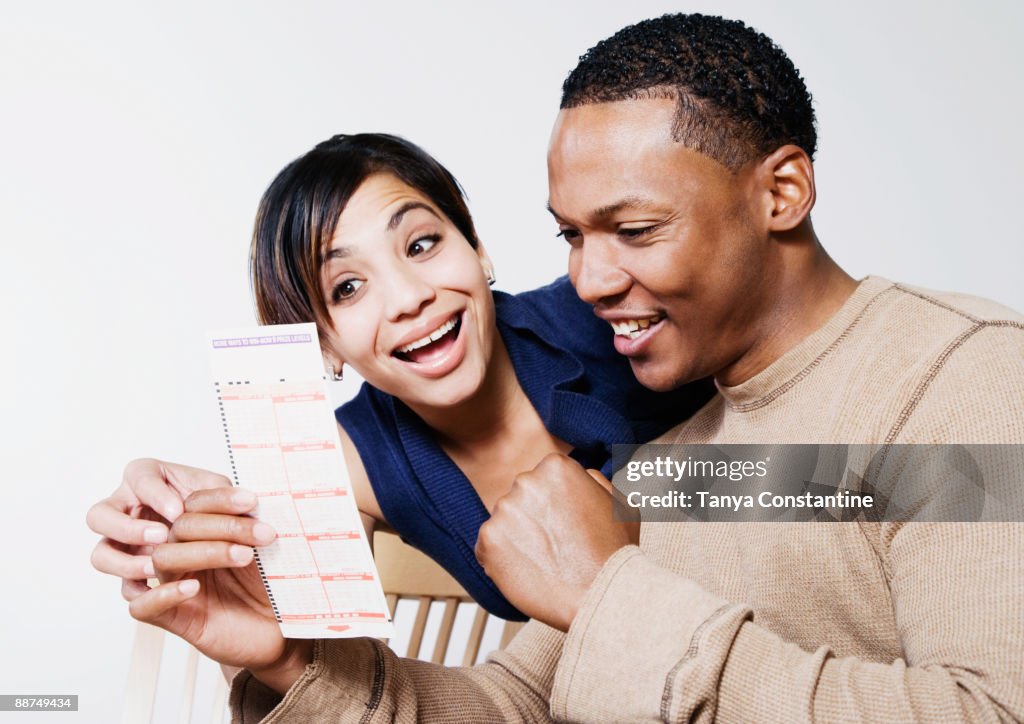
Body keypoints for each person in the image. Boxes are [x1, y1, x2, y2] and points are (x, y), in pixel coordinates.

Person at [108, 14, 1024, 722]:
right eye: (572, 237)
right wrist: (291, 662)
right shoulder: (684, 459)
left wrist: (609, 595)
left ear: (780, 192)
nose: (588, 280)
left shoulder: (963, 377)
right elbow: (521, 705)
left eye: (633, 231)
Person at [86, 133, 708, 622]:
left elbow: (806, 473)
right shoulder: (347, 462)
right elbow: (311, 661)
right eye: (348, 287)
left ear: (478, 248)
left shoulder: (604, 308)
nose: (409, 298)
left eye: (420, 245)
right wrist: (192, 527)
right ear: (323, 343)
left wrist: (636, 495)